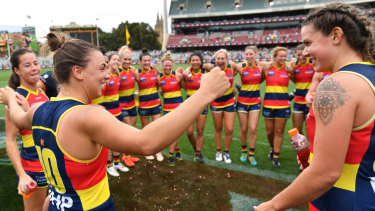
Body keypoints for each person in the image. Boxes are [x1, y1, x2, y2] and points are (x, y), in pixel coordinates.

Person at [0, 33, 230, 210]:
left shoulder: (39, 108)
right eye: (101, 68)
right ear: (78, 72)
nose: (108, 74)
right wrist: (204, 94)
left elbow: (19, 118)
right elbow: (146, 142)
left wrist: (10, 96)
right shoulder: (88, 115)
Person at [255, 3, 375, 210]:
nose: (305, 51)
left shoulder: (337, 84)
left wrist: (271, 206)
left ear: (336, 35)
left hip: (342, 201)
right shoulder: (368, 77)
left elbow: (326, 173)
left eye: (309, 43)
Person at [5, 48, 48, 210]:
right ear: (17, 70)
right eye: (28, 65)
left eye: (36, 63)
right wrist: (22, 174)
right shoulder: (15, 99)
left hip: (50, 162)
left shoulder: (41, 92)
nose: (35, 68)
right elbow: (10, 140)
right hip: (33, 166)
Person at [262, 46, 292, 168]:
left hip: (283, 106)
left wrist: (289, 63)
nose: (283, 58)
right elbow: (258, 62)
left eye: (285, 56)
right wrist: (269, 62)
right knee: (269, 132)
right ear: (274, 57)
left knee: (279, 132)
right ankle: (272, 148)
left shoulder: (288, 69)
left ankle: (276, 157)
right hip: (268, 105)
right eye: (281, 56)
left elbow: (296, 62)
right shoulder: (267, 68)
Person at [101, 53, 130, 176]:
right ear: (108, 62)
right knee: (108, 140)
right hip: (107, 111)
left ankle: (117, 162)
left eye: (118, 60)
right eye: (114, 59)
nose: (117, 61)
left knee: (117, 138)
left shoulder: (117, 74)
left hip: (117, 110)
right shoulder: (105, 76)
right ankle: (109, 165)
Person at [235, 46, 265, 166]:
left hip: (255, 101)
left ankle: (251, 154)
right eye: (247, 54)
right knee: (243, 129)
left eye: (251, 54)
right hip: (242, 101)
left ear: (256, 55)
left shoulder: (261, 66)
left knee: (252, 128)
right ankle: (243, 151)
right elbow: (229, 67)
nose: (248, 56)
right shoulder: (240, 66)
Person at [209, 49, 241, 164]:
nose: (221, 60)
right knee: (218, 128)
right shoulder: (211, 68)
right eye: (218, 58)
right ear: (215, 60)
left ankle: (226, 152)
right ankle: (218, 151)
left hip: (229, 101)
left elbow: (243, 68)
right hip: (216, 102)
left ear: (227, 59)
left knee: (229, 129)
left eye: (223, 58)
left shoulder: (231, 66)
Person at [137, 49, 164, 161]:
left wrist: (158, 71)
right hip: (143, 105)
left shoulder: (155, 71)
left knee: (157, 128)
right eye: (145, 61)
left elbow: (162, 82)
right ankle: (146, 151)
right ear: (140, 62)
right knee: (146, 130)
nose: (147, 62)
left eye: (148, 60)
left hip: (155, 103)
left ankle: (158, 151)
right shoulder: (137, 73)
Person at [158, 52, 185, 166]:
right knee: (172, 132)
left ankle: (170, 155)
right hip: (167, 108)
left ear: (172, 66)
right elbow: (157, 90)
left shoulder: (178, 75)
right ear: (162, 66)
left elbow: (185, 87)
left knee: (175, 131)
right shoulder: (159, 77)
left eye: (169, 66)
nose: (168, 68)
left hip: (178, 108)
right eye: (165, 65)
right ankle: (178, 152)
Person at [183, 52, 209, 163]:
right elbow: (183, 82)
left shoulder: (206, 73)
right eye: (193, 60)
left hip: (202, 104)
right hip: (190, 104)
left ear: (201, 61)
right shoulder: (186, 73)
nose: (195, 62)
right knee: (189, 132)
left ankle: (198, 153)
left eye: (197, 60)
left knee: (199, 131)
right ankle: (195, 148)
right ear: (190, 62)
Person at [118, 46, 140, 167]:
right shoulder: (118, 72)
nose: (127, 61)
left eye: (129, 59)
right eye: (125, 59)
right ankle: (125, 156)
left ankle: (129, 154)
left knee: (131, 131)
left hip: (132, 105)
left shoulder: (132, 70)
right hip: (122, 106)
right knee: (129, 130)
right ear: (120, 59)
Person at [290, 44, 314, 134]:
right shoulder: (294, 65)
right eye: (298, 55)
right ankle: (303, 147)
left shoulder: (313, 63)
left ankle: (311, 148)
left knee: (310, 129)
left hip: (310, 101)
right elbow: (293, 78)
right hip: (298, 100)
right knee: (297, 130)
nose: (301, 57)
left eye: (302, 54)